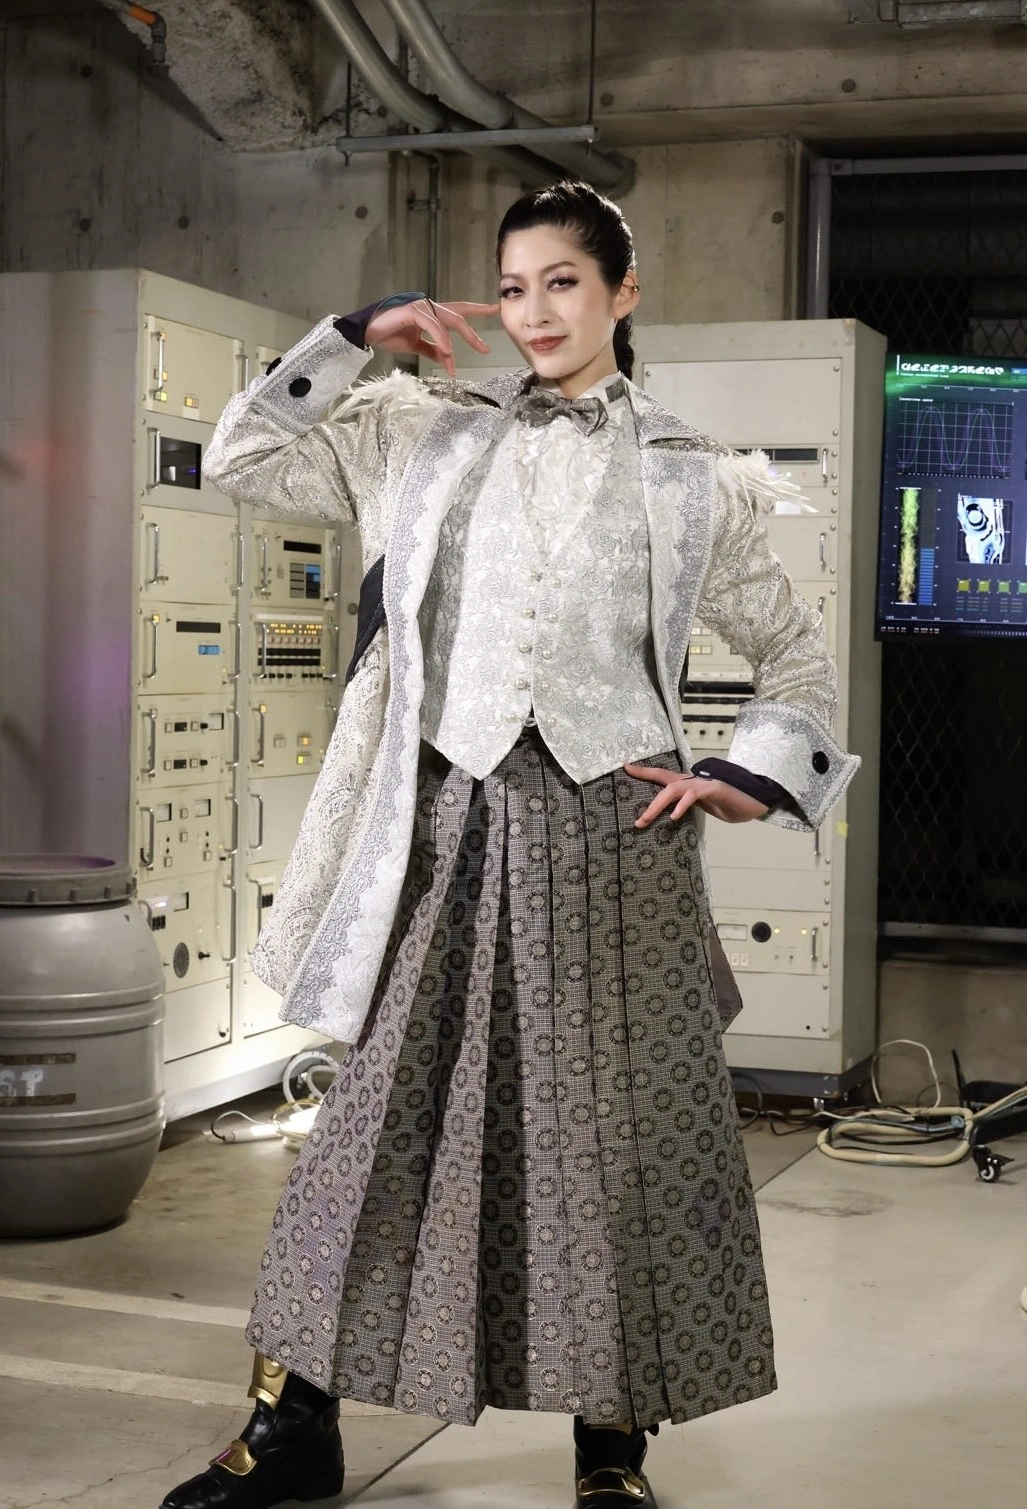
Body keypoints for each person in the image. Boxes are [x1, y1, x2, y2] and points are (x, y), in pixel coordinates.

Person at [160, 180, 858, 1509]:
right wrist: (355, 334)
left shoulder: (693, 475)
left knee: (615, 1148)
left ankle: (611, 1452)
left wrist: (745, 777)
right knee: (372, 1131)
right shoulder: (419, 431)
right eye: (515, 285)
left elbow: (798, 662)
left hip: (613, 840)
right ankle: (296, 1425)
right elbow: (243, 454)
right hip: (444, 829)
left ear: (622, 294)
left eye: (564, 283)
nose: (534, 312)